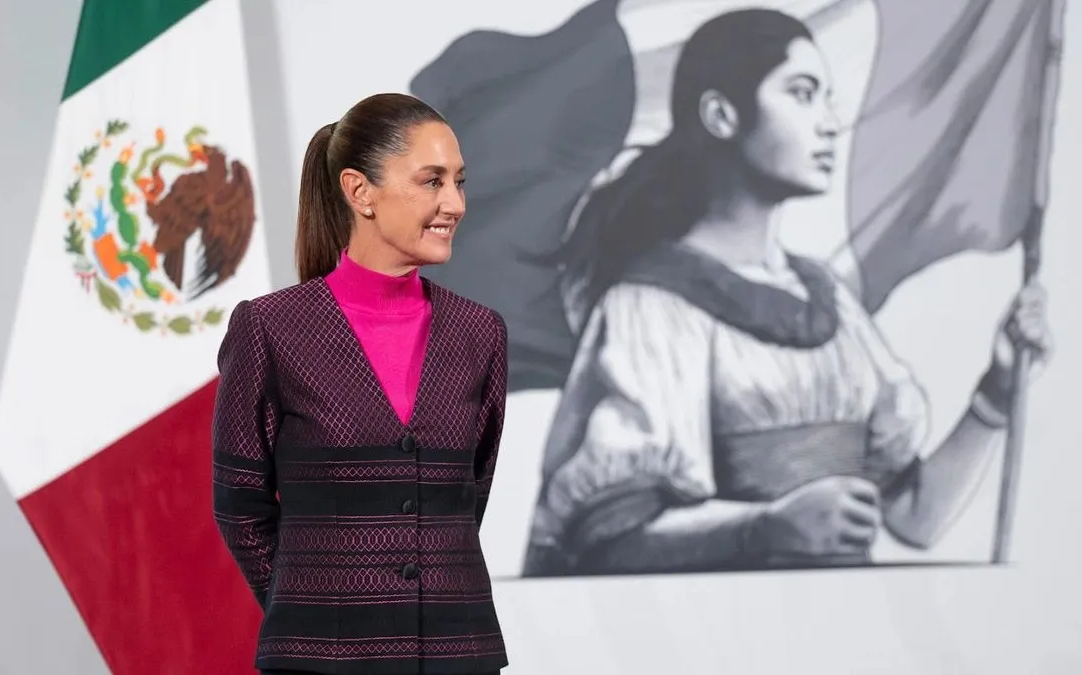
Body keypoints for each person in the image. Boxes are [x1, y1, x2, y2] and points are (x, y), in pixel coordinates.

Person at [522, 9, 1052, 576]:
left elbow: (913, 517)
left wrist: (995, 395)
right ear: (722, 115)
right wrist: (766, 526)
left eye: (828, 96)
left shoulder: (829, 300)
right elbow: (609, 541)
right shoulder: (651, 307)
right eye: (802, 94)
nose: (830, 122)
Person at [212, 93, 509, 674]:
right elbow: (239, 506)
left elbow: (467, 494)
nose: (455, 203)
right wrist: (308, 605)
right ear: (359, 191)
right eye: (431, 181)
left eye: (459, 182)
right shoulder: (272, 328)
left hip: (460, 653)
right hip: (321, 659)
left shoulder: (481, 333)